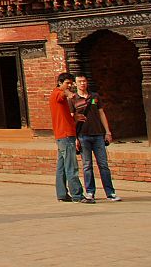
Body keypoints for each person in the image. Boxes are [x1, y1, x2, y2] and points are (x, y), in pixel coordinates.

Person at [73, 75, 121, 201]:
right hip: (83, 135)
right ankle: (90, 192)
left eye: (84, 81)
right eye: (79, 82)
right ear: (75, 84)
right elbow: (71, 118)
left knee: (103, 164)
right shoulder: (73, 99)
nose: (82, 84)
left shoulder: (94, 97)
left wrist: (107, 131)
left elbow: (101, 113)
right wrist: (75, 138)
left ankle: (110, 192)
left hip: (98, 134)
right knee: (87, 165)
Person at [50, 72, 91, 203]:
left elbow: (64, 115)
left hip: (63, 134)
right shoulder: (57, 93)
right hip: (66, 135)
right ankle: (77, 195)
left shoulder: (58, 96)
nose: (69, 86)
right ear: (60, 83)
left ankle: (62, 194)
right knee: (71, 166)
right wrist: (68, 93)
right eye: (67, 83)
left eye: (70, 83)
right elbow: (63, 94)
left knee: (61, 166)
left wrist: (75, 118)